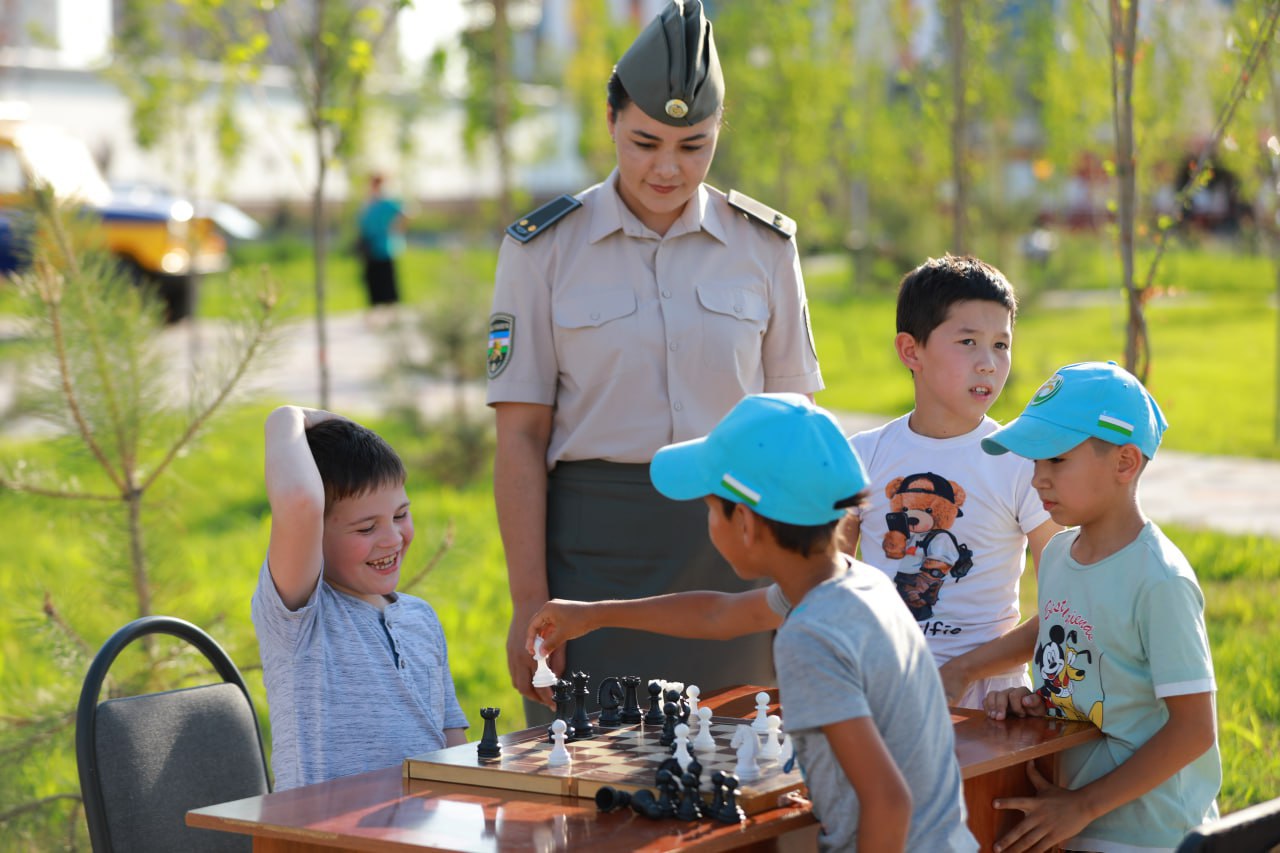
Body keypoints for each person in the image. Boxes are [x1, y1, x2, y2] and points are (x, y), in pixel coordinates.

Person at [487, 0, 822, 724]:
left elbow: (798, 426)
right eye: (644, 142)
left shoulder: (764, 245)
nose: (668, 168)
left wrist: (808, 581)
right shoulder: (542, 249)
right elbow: (519, 436)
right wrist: (527, 600)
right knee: (589, 775)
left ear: (719, 132)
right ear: (610, 120)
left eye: (693, 145)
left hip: (737, 556)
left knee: (742, 769)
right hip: (591, 562)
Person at [529, 394, 977, 852]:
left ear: (744, 521)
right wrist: (593, 614)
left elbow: (889, 801)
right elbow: (718, 614)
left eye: (710, 508)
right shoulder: (855, 582)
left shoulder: (811, 634)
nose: (709, 521)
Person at [981, 362, 1220, 853]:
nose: (1038, 479)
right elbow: (1064, 631)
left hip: (1150, 836)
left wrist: (1084, 806)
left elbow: (1194, 730)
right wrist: (1041, 702)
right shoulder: (1060, 555)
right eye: (1035, 462)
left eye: (1056, 460)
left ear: (1124, 463)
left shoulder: (1160, 580)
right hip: (1071, 821)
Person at [842, 255, 1061, 709]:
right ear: (911, 351)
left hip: (989, 705)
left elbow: (1065, 604)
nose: (989, 364)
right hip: (883, 693)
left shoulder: (1023, 463)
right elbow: (825, 588)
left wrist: (962, 672)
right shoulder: (861, 456)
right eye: (968, 342)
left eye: (1001, 345)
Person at [252, 406, 468, 790]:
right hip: (321, 825)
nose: (392, 538)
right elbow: (300, 501)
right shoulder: (300, 617)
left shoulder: (421, 617)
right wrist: (285, 417)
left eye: (400, 515)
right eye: (367, 528)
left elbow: (452, 741)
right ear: (313, 534)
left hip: (422, 823)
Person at [356, 173, 406, 310]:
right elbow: (362, 222)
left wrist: (397, 230)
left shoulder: (387, 202)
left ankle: (391, 309)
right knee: (372, 280)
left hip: (384, 247)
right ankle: (376, 308)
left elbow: (405, 214)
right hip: (370, 247)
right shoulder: (369, 203)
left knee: (387, 279)